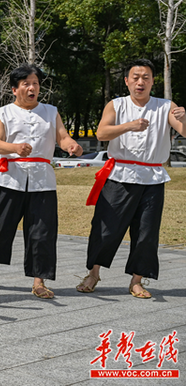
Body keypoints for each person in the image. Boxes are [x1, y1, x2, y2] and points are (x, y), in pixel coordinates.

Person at [77, 59, 185, 298]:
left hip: (153, 177)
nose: (140, 82)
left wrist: (184, 118)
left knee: (147, 232)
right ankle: (93, 273)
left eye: (146, 77)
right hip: (120, 175)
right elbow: (101, 133)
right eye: (135, 77)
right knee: (105, 229)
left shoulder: (165, 106)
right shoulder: (116, 105)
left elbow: (183, 130)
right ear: (126, 81)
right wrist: (129, 126)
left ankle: (137, 280)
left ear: (153, 81)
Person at [0, 64, 82, 299]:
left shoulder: (51, 111)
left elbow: (62, 137)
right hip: (9, 178)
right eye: (26, 84)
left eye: (35, 83)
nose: (32, 87)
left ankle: (39, 281)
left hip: (42, 180)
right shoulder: (3, 112)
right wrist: (15, 148)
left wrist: (71, 146)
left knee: (42, 232)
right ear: (15, 89)